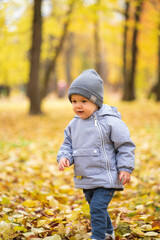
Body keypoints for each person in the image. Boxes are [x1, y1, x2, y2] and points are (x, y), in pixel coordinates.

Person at [57, 69, 135, 240]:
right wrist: (64, 157)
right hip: (86, 177)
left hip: (107, 177)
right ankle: (108, 232)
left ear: (96, 102)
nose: (77, 105)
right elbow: (67, 145)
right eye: (74, 101)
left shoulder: (110, 121)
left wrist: (125, 168)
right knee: (94, 205)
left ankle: (98, 237)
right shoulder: (73, 125)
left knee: (97, 207)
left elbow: (125, 145)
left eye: (83, 101)